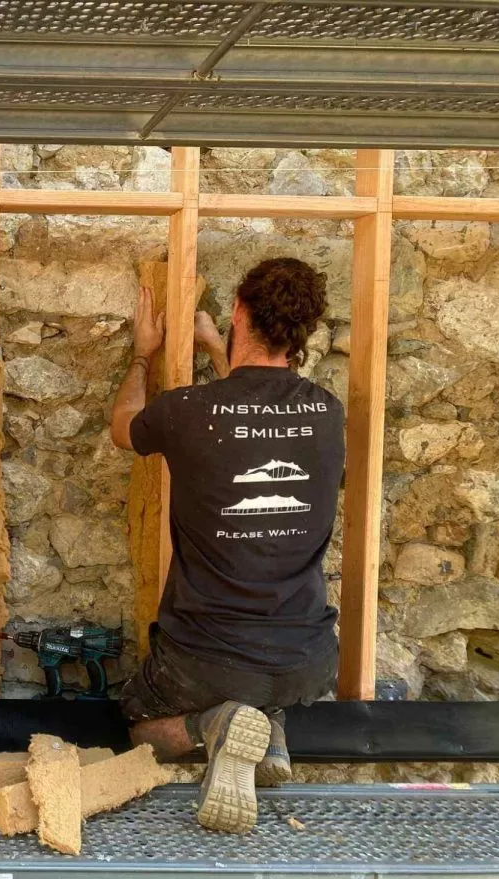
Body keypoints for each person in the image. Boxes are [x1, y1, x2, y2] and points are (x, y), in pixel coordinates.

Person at [109, 258, 344, 835]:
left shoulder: (187, 411)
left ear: (238, 311)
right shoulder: (327, 412)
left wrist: (143, 355)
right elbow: (254, 423)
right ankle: (268, 729)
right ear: (305, 330)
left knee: (140, 725)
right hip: (308, 660)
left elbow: (124, 427)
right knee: (261, 682)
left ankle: (213, 726)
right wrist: (220, 352)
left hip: (206, 660)